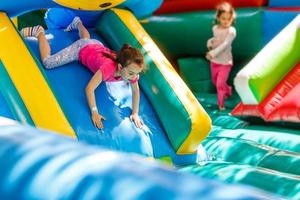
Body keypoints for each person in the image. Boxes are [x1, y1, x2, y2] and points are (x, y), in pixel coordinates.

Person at [21, 17, 146, 129]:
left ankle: (78, 23)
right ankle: (39, 32)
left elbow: (135, 91)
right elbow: (89, 89)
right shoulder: (108, 68)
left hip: (96, 46)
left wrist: (135, 112)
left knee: (87, 39)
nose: (134, 77)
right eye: (131, 73)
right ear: (120, 66)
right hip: (82, 48)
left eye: (136, 73)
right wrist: (94, 112)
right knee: (48, 63)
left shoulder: (131, 73)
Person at [206, 2, 236, 110]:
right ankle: (228, 90)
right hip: (214, 62)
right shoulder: (215, 28)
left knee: (219, 84)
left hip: (225, 62)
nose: (226, 21)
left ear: (232, 18)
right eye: (223, 18)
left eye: (229, 19)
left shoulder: (231, 31)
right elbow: (215, 40)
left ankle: (221, 104)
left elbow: (225, 44)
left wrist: (212, 53)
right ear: (218, 18)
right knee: (215, 82)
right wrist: (209, 43)